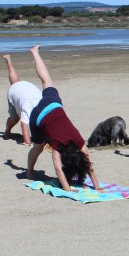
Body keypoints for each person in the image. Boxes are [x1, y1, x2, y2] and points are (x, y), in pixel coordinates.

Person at [24, 45, 100, 192]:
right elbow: (59, 170)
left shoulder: (80, 143)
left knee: (47, 81)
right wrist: (68, 190)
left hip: (53, 105)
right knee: (38, 147)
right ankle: (28, 172)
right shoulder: (57, 147)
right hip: (37, 117)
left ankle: (35, 52)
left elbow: (89, 166)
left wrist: (96, 186)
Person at [3, 53, 42, 145]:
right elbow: (24, 124)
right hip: (14, 93)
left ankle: (9, 61)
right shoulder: (27, 108)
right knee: (15, 118)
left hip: (28, 89)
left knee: (15, 82)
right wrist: (28, 142)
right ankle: (7, 130)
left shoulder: (44, 107)